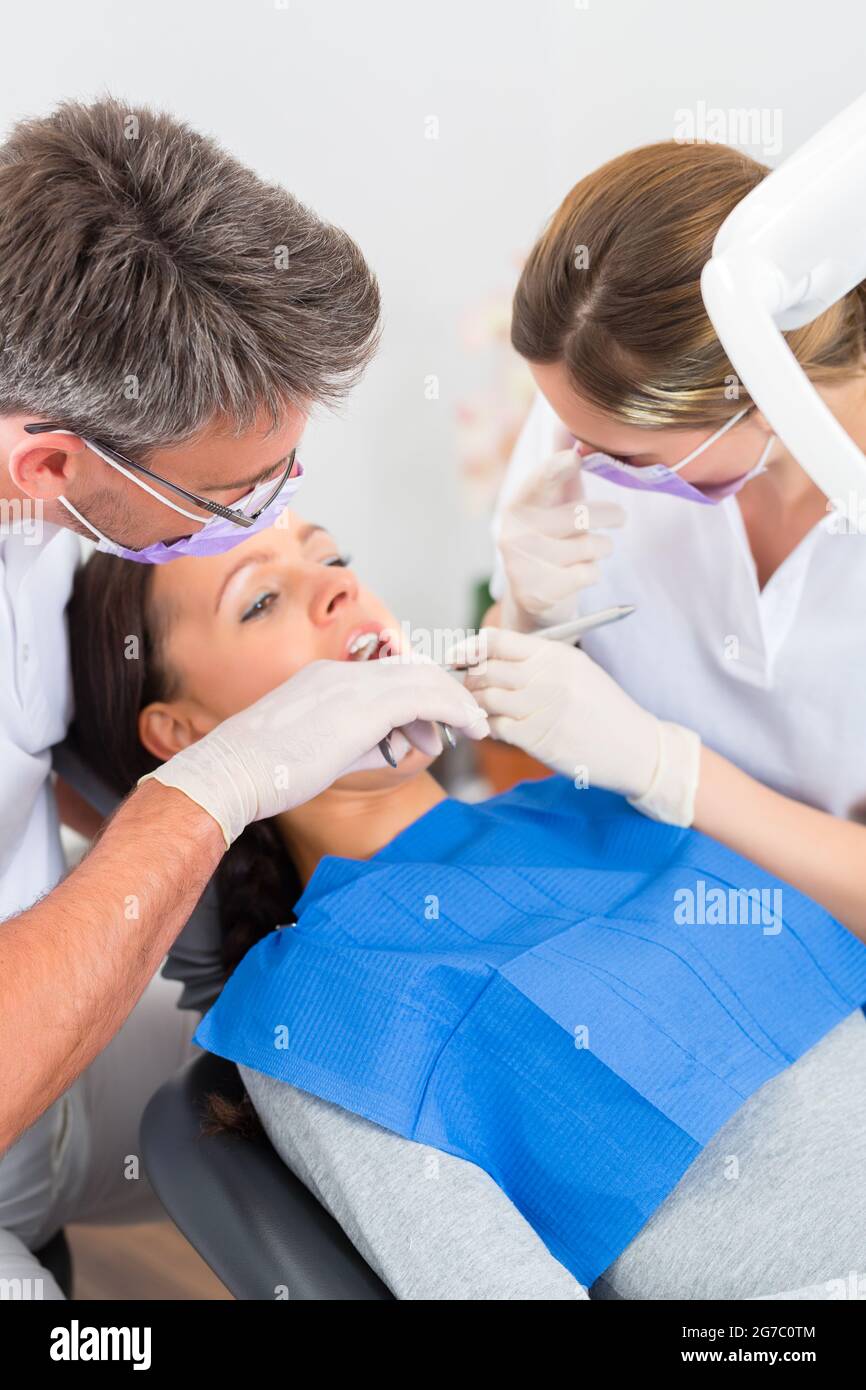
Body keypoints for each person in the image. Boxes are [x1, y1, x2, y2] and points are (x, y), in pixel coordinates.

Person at [64, 515, 866, 1301]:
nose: (338, 587)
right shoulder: (317, 1009)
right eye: (261, 600)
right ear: (184, 731)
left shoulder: (595, 794)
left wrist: (664, 763)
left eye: (334, 556)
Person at [0, 97, 487, 1293]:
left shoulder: (46, 506)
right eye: (235, 504)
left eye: (305, 517)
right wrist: (214, 783)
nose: (279, 527)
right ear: (50, 460)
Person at [479, 138, 866, 941]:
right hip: (656, 935)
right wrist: (521, 612)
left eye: (625, 457)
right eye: (568, 429)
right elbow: (532, 702)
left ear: (760, 397)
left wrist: (673, 771)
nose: (577, 463)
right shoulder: (582, 437)